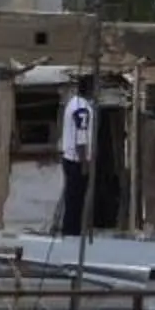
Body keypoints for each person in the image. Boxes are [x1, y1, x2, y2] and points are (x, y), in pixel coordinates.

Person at [58, 75, 96, 236]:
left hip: (68, 157)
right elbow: (81, 138)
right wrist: (84, 164)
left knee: (71, 197)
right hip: (76, 159)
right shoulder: (83, 108)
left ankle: (70, 229)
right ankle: (72, 231)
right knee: (76, 198)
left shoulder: (72, 103)